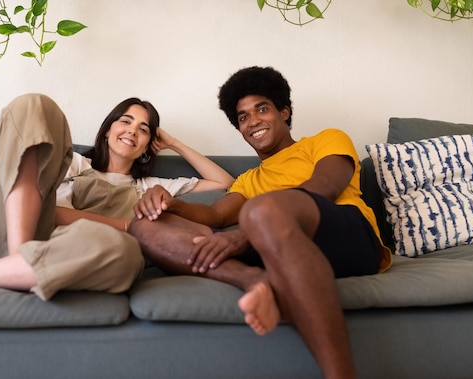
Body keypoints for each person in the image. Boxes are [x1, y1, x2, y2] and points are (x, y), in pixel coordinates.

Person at [128, 67, 392, 379]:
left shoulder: (326, 139)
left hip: (349, 237)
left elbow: (325, 188)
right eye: (242, 117)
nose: (252, 121)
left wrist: (244, 235)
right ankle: (254, 281)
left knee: (263, 210)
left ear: (284, 112)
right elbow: (214, 216)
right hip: (274, 245)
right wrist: (170, 200)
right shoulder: (248, 180)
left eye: (262, 109)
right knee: (143, 226)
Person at [0, 93, 234, 300]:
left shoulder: (149, 188)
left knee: (121, 250)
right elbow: (52, 213)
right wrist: (125, 223)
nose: (132, 131)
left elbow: (224, 182)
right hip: (22, 236)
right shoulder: (72, 163)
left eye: (144, 130)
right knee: (37, 107)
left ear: (147, 147)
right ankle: (18, 259)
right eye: (125, 121)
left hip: (85, 256)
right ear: (107, 130)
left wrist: (173, 143)